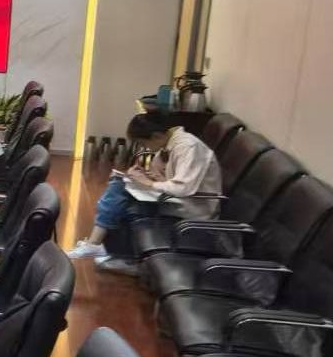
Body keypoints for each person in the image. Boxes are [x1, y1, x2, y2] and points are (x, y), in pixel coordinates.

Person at [68, 115, 221, 273]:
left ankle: (105, 248)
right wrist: (148, 176)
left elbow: (183, 187)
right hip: (178, 199)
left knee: (120, 194)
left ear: (156, 136)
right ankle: (106, 249)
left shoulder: (188, 147)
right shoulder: (169, 144)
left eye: (143, 143)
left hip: (194, 207)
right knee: (119, 186)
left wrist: (148, 182)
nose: (145, 148)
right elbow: (171, 178)